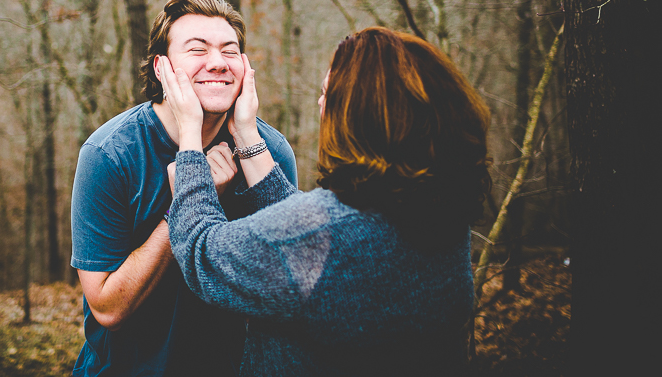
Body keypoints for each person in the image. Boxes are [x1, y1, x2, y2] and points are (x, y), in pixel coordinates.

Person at [163, 27, 491, 376]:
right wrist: (246, 133)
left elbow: (202, 252)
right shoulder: (443, 216)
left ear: (356, 116)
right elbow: (312, 237)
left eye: (326, 94)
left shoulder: (319, 234)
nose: (320, 103)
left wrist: (189, 140)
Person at [70, 0, 298, 376]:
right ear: (162, 68)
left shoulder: (269, 152)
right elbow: (107, 307)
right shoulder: (109, 155)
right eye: (198, 49)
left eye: (230, 51)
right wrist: (187, 205)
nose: (217, 63)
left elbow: (293, 281)